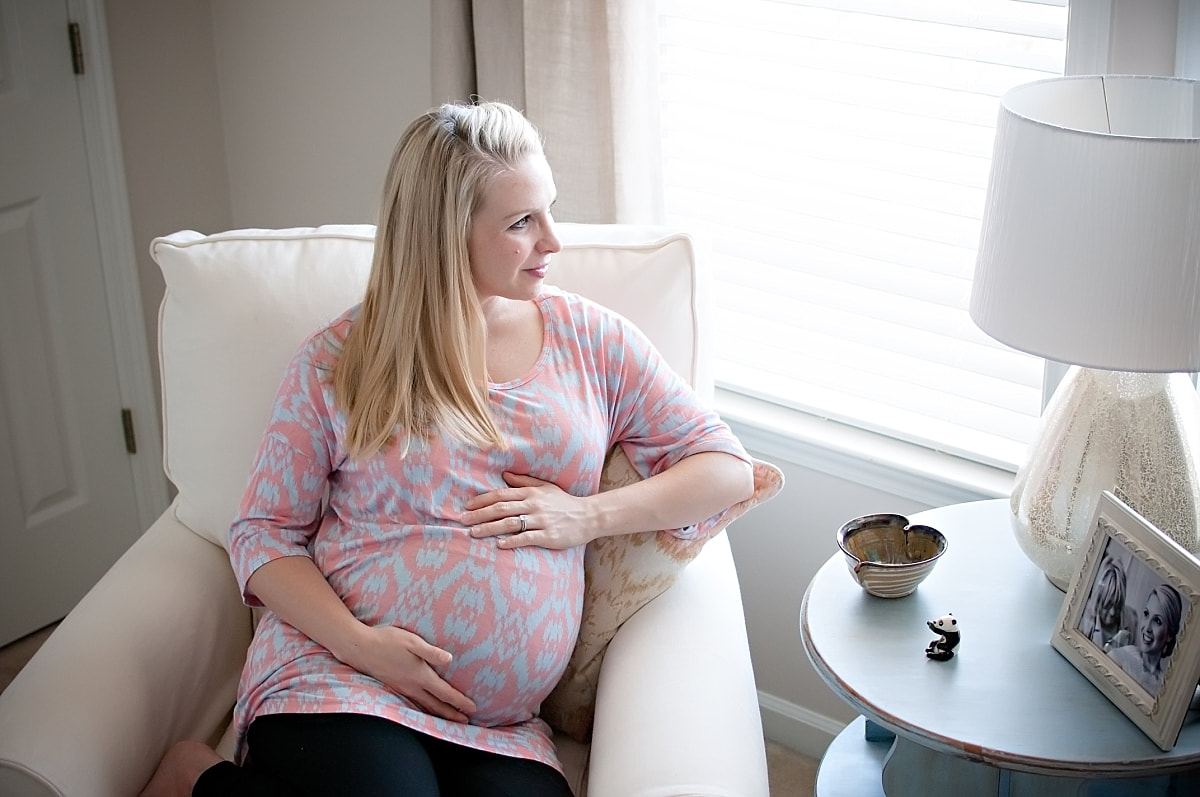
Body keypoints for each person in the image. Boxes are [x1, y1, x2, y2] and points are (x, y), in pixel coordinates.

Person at [139, 100, 754, 797]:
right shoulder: (340, 360)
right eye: (522, 222)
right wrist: (363, 644)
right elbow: (262, 532)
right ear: (443, 235)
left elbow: (727, 470)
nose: (553, 241)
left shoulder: (594, 342)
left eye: (549, 209)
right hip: (344, 678)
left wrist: (586, 515)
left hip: (500, 728)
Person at [1108, 583, 1184, 697]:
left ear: (1169, 635)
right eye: (1146, 614)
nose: (1147, 628)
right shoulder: (1119, 657)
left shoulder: (1165, 689)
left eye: (1157, 621)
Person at [1079, 555, 1136, 652]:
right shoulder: (1081, 617)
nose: (1113, 612)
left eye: (1117, 605)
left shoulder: (1132, 619)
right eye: (1108, 604)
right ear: (1098, 599)